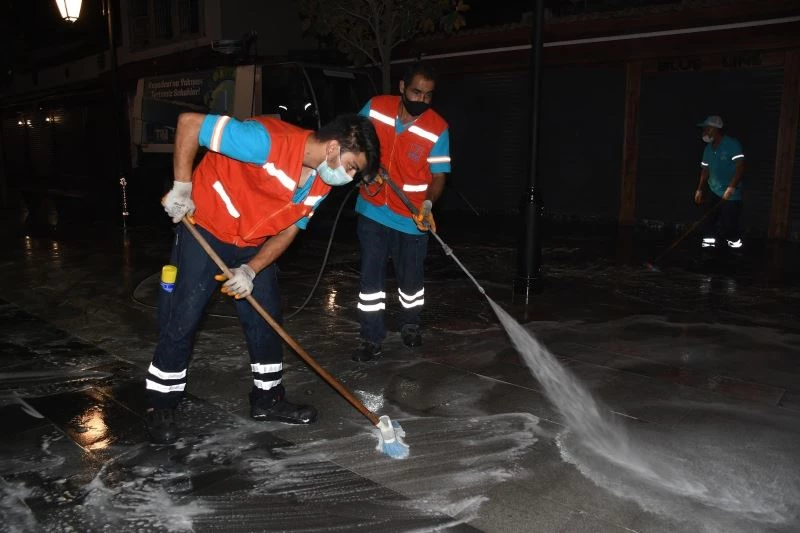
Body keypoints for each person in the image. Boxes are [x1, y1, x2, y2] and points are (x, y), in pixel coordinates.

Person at [145, 112, 380, 444]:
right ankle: (161, 404)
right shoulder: (266, 142)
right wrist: (182, 187)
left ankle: (268, 399)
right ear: (332, 148)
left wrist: (251, 269)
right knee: (185, 315)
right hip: (208, 227)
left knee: (266, 317)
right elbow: (189, 124)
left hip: (253, 242)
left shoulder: (321, 182)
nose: (350, 176)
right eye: (352, 166)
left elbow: (289, 230)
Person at [352, 62, 451, 362]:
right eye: (416, 92)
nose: (421, 100)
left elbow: (439, 176)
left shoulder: (437, 128)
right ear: (402, 88)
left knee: (411, 280)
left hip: (411, 218)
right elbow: (353, 140)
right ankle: (371, 337)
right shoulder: (376, 107)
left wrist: (428, 204)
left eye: (428, 95)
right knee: (370, 280)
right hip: (373, 209)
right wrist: (365, 168)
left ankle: (410, 324)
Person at [693, 115, 745, 252]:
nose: (704, 132)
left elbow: (740, 168)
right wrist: (699, 189)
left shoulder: (732, 144)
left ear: (715, 129)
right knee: (709, 219)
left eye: (707, 129)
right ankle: (708, 248)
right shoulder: (708, 148)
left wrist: (731, 187)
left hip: (731, 194)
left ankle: (735, 248)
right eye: (704, 129)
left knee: (729, 223)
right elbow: (705, 170)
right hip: (713, 190)